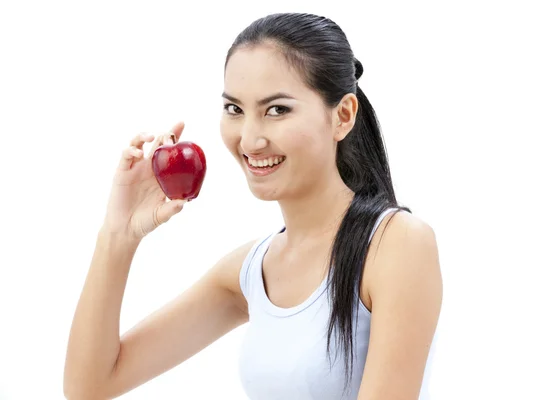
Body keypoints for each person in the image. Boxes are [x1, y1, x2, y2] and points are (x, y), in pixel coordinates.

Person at [63, 12, 443, 400]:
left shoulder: (396, 245)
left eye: (277, 110)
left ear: (342, 116)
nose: (249, 140)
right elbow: (90, 386)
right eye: (234, 109)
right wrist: (118, 234)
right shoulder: (250, 271)